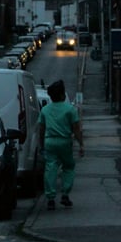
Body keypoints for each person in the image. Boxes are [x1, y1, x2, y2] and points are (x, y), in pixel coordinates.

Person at [38, 79, 84, 210]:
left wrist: (41, 145)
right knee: (68, 167)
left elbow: (41, 129)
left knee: (50, 168)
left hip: (50, 141)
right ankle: (65, 193)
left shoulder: (45, 110)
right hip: (64, 141)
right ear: (63, 95)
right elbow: (76, 128)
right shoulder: (70, 110)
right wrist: (81, 144)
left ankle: (50, 197)